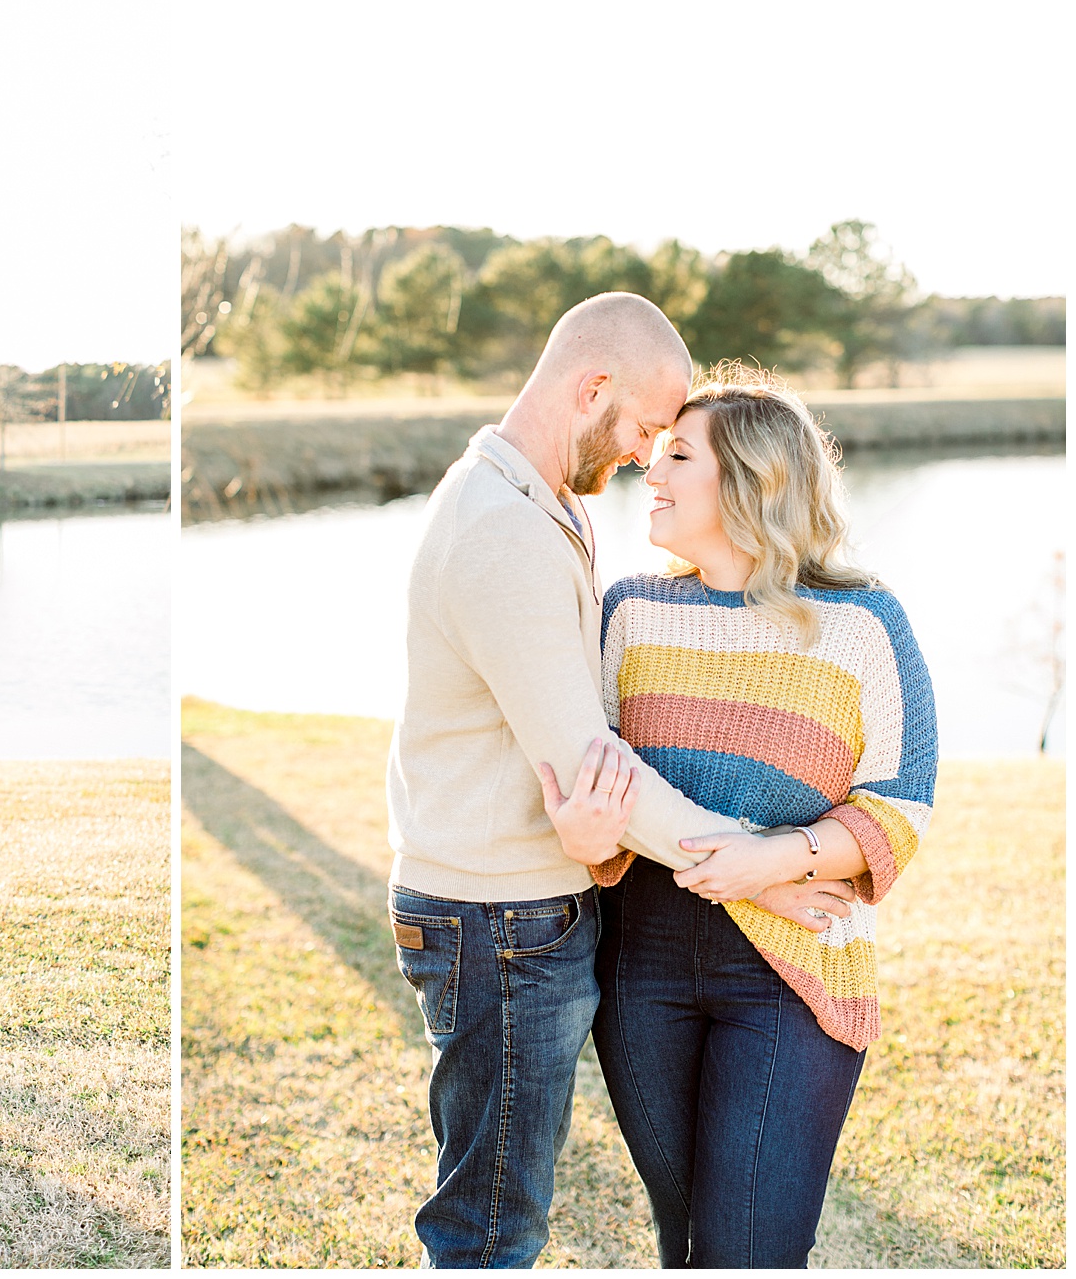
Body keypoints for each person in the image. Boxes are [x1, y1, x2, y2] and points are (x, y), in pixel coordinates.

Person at [385, 293, 855, 1267]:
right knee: (489, 1230)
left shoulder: (539, 502)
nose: (651, 454)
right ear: (592, 387)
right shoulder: (504, 530)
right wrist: (758, 861)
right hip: (500, 924)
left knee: (499, 1211)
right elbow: (600, 773)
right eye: (647, 427)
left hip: (514, 914)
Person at [573, 367, 937, 1267]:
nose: (648, 472)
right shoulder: (630, 612)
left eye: (677, 456)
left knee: (749, 1250)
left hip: (793, 977)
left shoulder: (861, 623)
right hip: (641, 966)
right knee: (688, 1242)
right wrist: (737, 871)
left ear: (753, 478)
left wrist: (774, 866)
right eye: (653, 455)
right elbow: (602, 785)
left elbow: (903, 801)